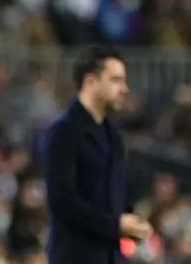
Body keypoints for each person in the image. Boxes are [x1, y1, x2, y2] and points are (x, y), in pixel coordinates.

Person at [43, 46, 153, 264]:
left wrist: (133, 222)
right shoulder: (64, 131)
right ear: (91, 81)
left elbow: (117, 196)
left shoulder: (113, 135)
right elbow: (62, 200)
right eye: (115, 80)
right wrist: (115, 225)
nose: (124, 89)